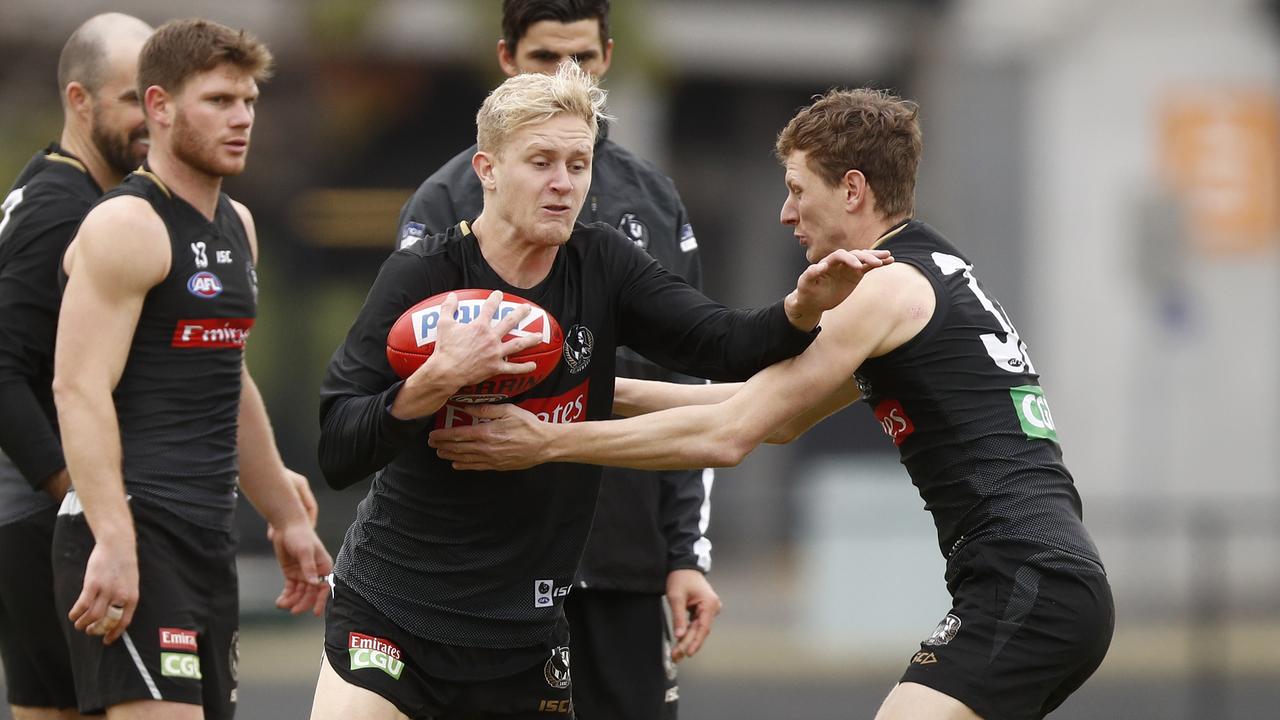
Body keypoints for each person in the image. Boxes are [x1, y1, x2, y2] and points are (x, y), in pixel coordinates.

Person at [429, 88, 1115, 720]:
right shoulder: (926, 271)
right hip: (1044, 582)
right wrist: (584, 389)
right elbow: (775, 412)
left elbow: (732, 433)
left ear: (852, 189)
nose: (786, 212)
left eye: (796, 189)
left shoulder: (884, 288)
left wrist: (545, 439)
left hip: (1028, 583)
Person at [312, 62, 886, 720]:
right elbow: (338, 446)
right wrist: (430, 383)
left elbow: (725, 343)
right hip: (393, 611)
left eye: (578, 164)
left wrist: (800, 308)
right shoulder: (422, 275)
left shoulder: (602, 264)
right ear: (487, 169)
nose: (563, 184)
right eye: (541, 162)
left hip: (522, 633)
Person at [395, 2, 719, 716]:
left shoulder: (654, 198)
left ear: (607, 56)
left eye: (584, 59)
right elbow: (404, 379)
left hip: (625, 556)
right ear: (506, 60)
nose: (567, 76)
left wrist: (685, 553)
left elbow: (687, 381)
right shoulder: (448, 197)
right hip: (490, 563)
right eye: (545, 58)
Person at [50, 18, 332, 719]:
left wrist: (285, 516)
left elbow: (227, 380)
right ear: (159, 106)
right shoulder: (127, 226)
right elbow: (77, 386)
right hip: (135, 530)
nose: (240, 119)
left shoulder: (238, 224)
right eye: (217, 101)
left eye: (248, 102)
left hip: (207, 536)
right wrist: (114, 541)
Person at [0, 14, 152, 720]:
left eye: (158, 95)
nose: (150, 115)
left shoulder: (62, 189)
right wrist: (77, 496)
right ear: (79, 101)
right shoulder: (64, 212)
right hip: (38, 518)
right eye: (131, 99)